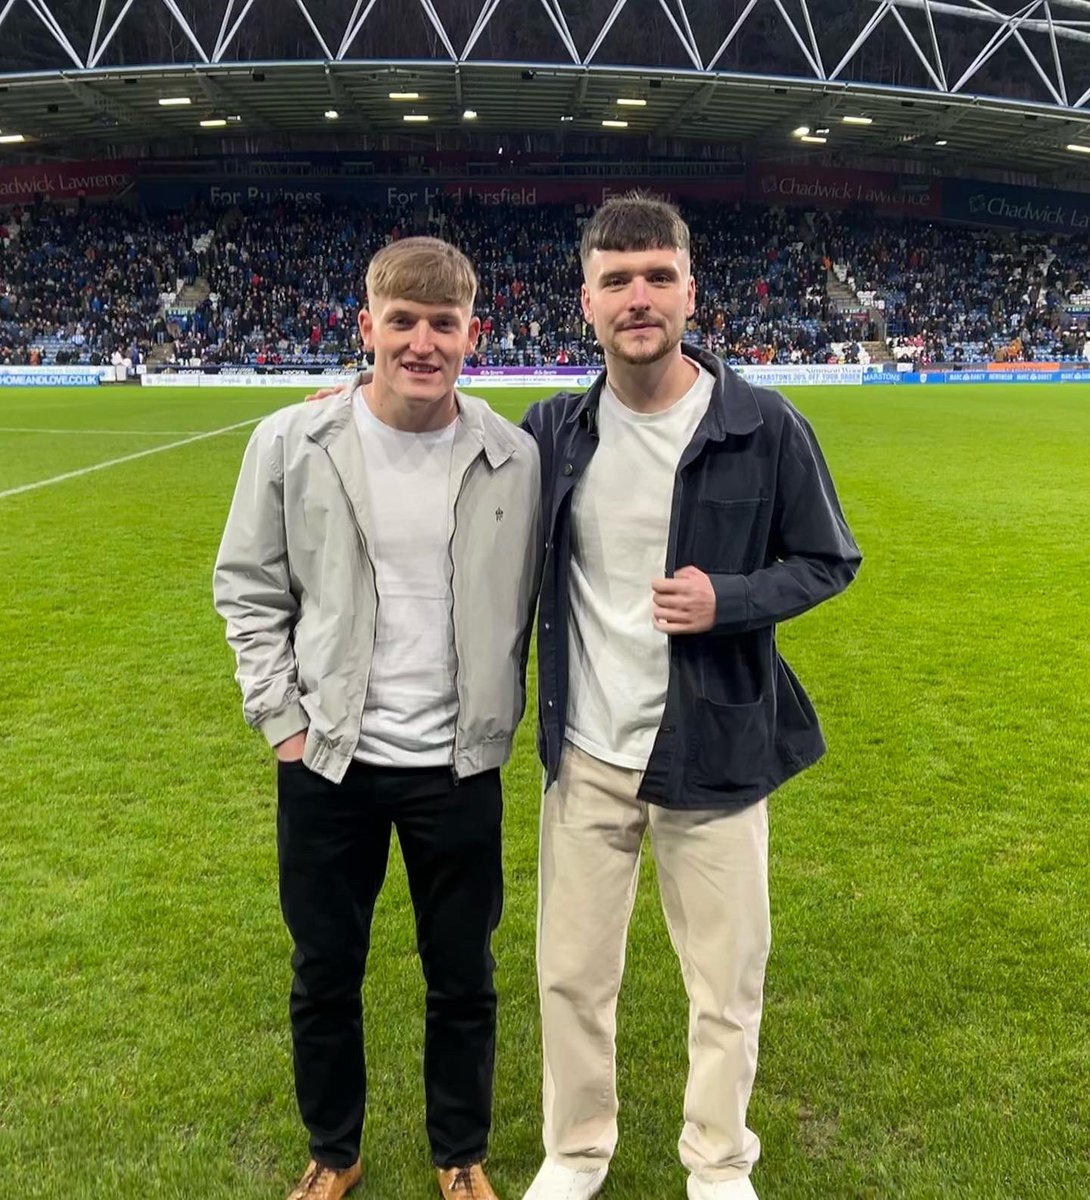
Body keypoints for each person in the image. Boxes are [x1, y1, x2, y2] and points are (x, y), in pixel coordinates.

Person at [519, 195, 861, 1200]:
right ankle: (575, 1154)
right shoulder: (551, 430)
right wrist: (348, 401)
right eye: (616, 279)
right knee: (572, 978)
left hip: (714, 754)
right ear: (584, 300)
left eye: (657, 276)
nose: (638, 297)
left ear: (689, 291)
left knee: (726, 983)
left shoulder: (763, 425)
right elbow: (448, 456)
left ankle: (717, 1163)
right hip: (585, 755)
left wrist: (732, 599)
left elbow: (828, 558)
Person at [213, 236, 541, 1200]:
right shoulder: (289, 442)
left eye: (443, 324)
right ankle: (335, 1150)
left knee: (464, 977)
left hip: (458, 764)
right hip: (329, 762)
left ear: (472, 334)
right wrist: (284, 723)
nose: (422, 342)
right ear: (367, 328)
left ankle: (459, 1153)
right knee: (325, 971)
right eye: (402, 321)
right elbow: (248, 588)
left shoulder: (511, 455)